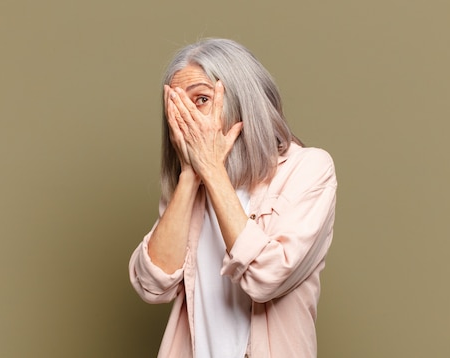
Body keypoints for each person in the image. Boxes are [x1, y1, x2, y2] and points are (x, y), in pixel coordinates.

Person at [128, 38, 337, 358]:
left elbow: (266, 278)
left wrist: (212, 170)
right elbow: (152, 284)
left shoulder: (308, 170)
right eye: (177, 106)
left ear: (242, 100)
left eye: (201, 99)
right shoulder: (187, 190)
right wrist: (189, 177)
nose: (187, 117)